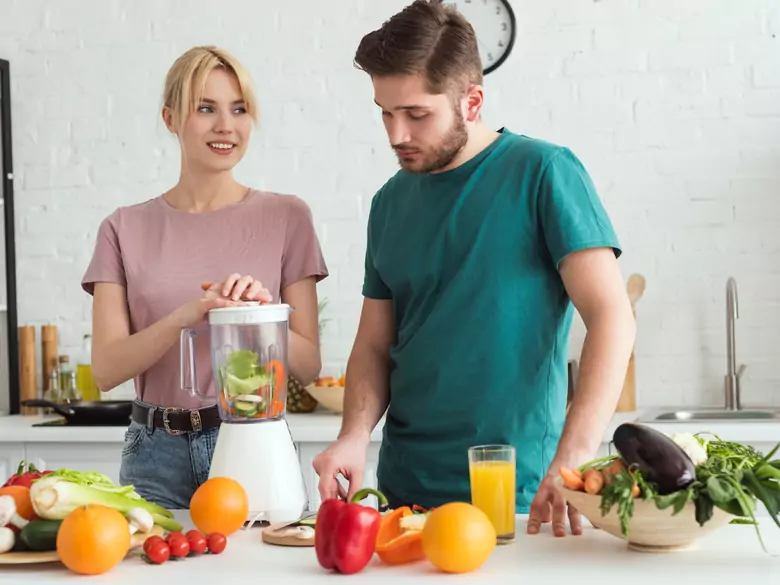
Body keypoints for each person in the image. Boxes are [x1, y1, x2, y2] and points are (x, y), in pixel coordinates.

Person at [313, 0, 635, 537]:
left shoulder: (543, 172)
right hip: (402, 499)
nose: (396, 134)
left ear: (472, 101)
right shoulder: (389, 202)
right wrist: (353, 434)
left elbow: (612, 317)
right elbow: (374, 344)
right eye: (385, 112)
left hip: (517, 495)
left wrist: (573, 456)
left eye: (417, 114)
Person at [81, 46, 328, 510]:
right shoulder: (122, 228)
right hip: (153, 453)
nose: (226, 126)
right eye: (205, 108)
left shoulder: (287, 217)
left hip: (251, 443)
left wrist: (258, 318)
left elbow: (310, 365)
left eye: (239, 109)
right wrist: (191, 314)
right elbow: (106, 370)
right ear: (171, 118)